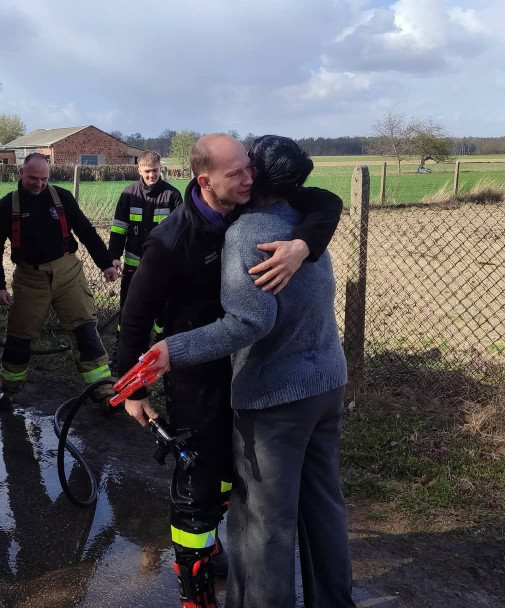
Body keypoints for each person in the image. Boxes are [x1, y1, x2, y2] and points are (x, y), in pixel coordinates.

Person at [118, 134, 343, 608]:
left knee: (262, 515)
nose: (247, 178)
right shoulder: (173, 239)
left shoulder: (266, 221)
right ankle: (196, 581)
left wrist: (303, 245)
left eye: (250, 168)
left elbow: (251, 319)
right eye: (236, 172)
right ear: (205, 180)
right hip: (207, 378)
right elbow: (134, 316)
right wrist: (131, 386)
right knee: (205, 483)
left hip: (259, 378)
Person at [0, 153, 120, 409]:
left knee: (85, 331)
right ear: (21, 173)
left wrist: (106, 264)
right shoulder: (6, 206)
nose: (39, 184)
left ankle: (104, 392)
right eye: (33, 178)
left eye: (44, 179)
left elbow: (86, 232)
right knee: (19, 338)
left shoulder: (62, 198)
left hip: (68, 273)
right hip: (29, 278)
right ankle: (8, 391)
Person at [108, 150, 183, 372]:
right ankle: (121, 357)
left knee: (165, 316)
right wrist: (113, 256)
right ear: (139, 170)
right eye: (148, 171)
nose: (152, 175)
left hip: (163, 271)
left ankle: (160, 359)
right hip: (133, 269)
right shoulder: (129, 194)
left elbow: (182, 233)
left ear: (162, 169)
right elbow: (118, 228)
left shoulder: (172, 195)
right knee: (128, 314)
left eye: (156, 171)